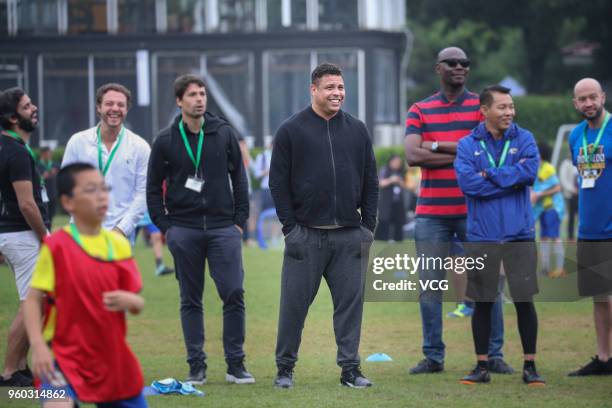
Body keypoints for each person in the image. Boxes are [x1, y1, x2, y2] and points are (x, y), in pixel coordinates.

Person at [270, 62, 378, 389]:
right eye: (330, 87)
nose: (337, 93)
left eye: (341, 87)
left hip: (349, 236)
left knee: (349, 310)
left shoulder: (357, 130)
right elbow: (278, 184)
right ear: (313, 90)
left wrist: (367, 228)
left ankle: (350, 370)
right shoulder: (291, 130)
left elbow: (371, 182)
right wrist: (291, 229)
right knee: (293, 309)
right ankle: (285, 370)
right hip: (306, 236)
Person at [404, 47, 510, 374]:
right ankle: (433, 357)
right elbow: (412, 155)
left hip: (475, 210)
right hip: (431, 213)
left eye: (465, 63)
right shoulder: (420, 109)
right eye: (452, 63)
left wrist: (433, 146)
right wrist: (463, 154)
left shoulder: (483, 107)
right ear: (439, 68)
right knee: (430, 287)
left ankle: (493, 355)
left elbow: (488, 150)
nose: (460, 67)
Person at [146, 74, 253, 385]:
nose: (200, 99)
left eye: (202, 94)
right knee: (190, 299)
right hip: (184, 229)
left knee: (233, 292)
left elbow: (240, 177)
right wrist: (166, 227)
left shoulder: (223, 133)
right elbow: (152, 188)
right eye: (192, 94)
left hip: (223, 228)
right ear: (179, 101)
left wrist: (239, 220)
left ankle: (236, 365)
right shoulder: (166, 140)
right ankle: (197, 366)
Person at [23, 163, 147, 407]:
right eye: (91, 190)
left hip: (110, 357)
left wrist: (131, 301)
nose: (101, 196)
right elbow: (33, 299)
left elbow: (136, 301)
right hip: (62, 356)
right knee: (57, 403)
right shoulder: (57, 245)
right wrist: (37, 346)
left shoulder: (118, 245)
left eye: (104, 188)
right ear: (68, 203)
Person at [455, 85, 544, 386]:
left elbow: (529, 173)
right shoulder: (468, 145)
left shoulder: (525, 138)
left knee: (524, 300)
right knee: (482, 301)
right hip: (483, 236)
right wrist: (510, 177)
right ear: (484, 111)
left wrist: (490, 174)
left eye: (511, 106)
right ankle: (481, 367)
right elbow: (469, 185)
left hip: (520, 233)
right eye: (502, 107)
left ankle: (530, 366)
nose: (509, 112)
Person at [0, 87, 49, 387]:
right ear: (12, 117)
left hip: (13, 235)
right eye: (27, 106)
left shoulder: (9, 147)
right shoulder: (16, 151)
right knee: (32, 303)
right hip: (24, 235)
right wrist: (46, 237)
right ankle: (9, 371)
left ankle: (19, 367)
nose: (34, 109)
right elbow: (27, 203)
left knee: (33, 302)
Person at [61, 83, 150, 240]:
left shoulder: (140, 147)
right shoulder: (77, 142)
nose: (115, 108)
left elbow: (143, 193)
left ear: (126, 110)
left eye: (120, 105)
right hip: (81, 231)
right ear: (98, 108)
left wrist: (121, 229)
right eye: (109, 103)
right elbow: (65, 185)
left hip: (121, 235)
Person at [567, 78, 612, 376]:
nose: (588, 103)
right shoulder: (575, 136)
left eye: (592, 97)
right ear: (575, 103)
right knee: (599, 296)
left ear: (603, 97)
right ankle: (604, 358)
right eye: (582, 99)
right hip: (589, 229)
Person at [532, 141, 566, 278]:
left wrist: (540, 194)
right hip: (542, 209)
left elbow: (557, 188)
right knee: (544, 238)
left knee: (555, 237)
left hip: (552, 208)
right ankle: (545, 268)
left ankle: (560, 268)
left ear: (541, 154)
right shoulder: (535, 169)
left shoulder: (548, 168)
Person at [375, 154, 407, 242]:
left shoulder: (401, 172)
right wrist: (391, 180)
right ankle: (382, 238)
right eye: (396, 162)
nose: (397, 164)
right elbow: (379, 183)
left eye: (399, 162)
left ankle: (398, 239)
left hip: (398, 201)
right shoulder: (384, 170)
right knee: (384, 219)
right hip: (386, 201)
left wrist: (399, 181)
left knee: (398, 220)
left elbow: (406, 185)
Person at [136, 211, 174, 276]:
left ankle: (160, 267)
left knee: (157, 237)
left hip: (148, 214)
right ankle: (124, 267)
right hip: (134, 214)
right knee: (127, 242)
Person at [37, 146, 59, 225]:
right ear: (42, 154)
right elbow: (34, 180)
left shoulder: (55, 165)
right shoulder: (37, 166)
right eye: (47, 153)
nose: (49, 155)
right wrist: (43, 177)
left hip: (53, 194)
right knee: (43, 215)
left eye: (50, 153)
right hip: (42, 195)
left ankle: (49, 232)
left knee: (51, 216)